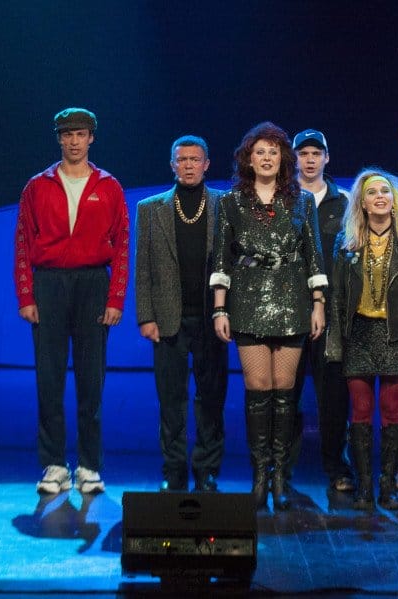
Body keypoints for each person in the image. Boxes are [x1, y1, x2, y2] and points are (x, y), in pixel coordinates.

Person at [210, 122, 327, 510]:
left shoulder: (302, 201)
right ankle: (260, 475)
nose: (266, 158)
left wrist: (318, 304)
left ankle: (280, 476)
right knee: (258, 389)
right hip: (247, 300)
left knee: (284, 392)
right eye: (259, 152)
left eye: (273, 152)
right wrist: (220, 308)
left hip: (292, 299)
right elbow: (222, 258)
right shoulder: (231, 202)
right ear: (248, 159)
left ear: (283, 159)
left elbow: (314, 255)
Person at [14, 107, 129, 495]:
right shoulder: (37, 186)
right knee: (48, 378)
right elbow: (23, 243)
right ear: (59, 139)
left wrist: (115, 298)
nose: (74, 141)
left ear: (91, 138)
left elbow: (122, 245)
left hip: (93, 284)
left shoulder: (108, 186)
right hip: (48, 285)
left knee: (91, 379)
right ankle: (53, 465)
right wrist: (26, 295)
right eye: (67, 135)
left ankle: (89, 466)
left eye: (80, 134)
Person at [326, 169, 398, 510]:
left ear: (394, 199)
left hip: (396, 335)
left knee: (392, 412)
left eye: (385, 191)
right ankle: (363, 487)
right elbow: (337, 299)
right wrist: (335, 344)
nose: (380, 197)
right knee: (359, 412)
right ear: (363, 202)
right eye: (372, 193)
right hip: (358, 334)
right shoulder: (346, 243)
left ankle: (386, 487)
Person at [135, 135, 229, 492]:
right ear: (172, 164)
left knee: (211, 398)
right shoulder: (150, 208)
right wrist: (146, 316)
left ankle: (207, 469)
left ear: (207, 164)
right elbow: (143, 268)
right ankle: (173, 469)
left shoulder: (225, 205)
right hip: (167, 319)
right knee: (171, 401)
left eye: (195, 159)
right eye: (182, 159)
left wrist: (227, 311)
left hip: (211, 317)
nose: (188, 165)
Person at [288, 129, 354, 493]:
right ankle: (283, 467)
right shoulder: (282, 200)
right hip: (290, 310)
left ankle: (336, 466)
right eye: (304, 153)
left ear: (327, 158)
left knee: (333, 394)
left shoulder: (344, 202)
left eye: (316, 153)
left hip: (332, 313)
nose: (310, 159)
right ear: (294, 158)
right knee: (287, 391)